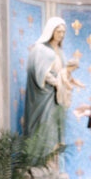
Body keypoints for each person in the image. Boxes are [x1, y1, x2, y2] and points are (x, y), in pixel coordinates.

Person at [24, 16, 67, 153]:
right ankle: (38, 162)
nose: (61, 35)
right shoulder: (40, 49)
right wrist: (56, 82)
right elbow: (39, 72)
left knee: (54, 128)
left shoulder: (60, 52)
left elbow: (63, 73)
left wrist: (63, 84)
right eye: (58, 31)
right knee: (44, 126)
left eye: (63, 32)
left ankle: (52, 164)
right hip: (44, 97)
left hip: (57, 97)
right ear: (51, 31)